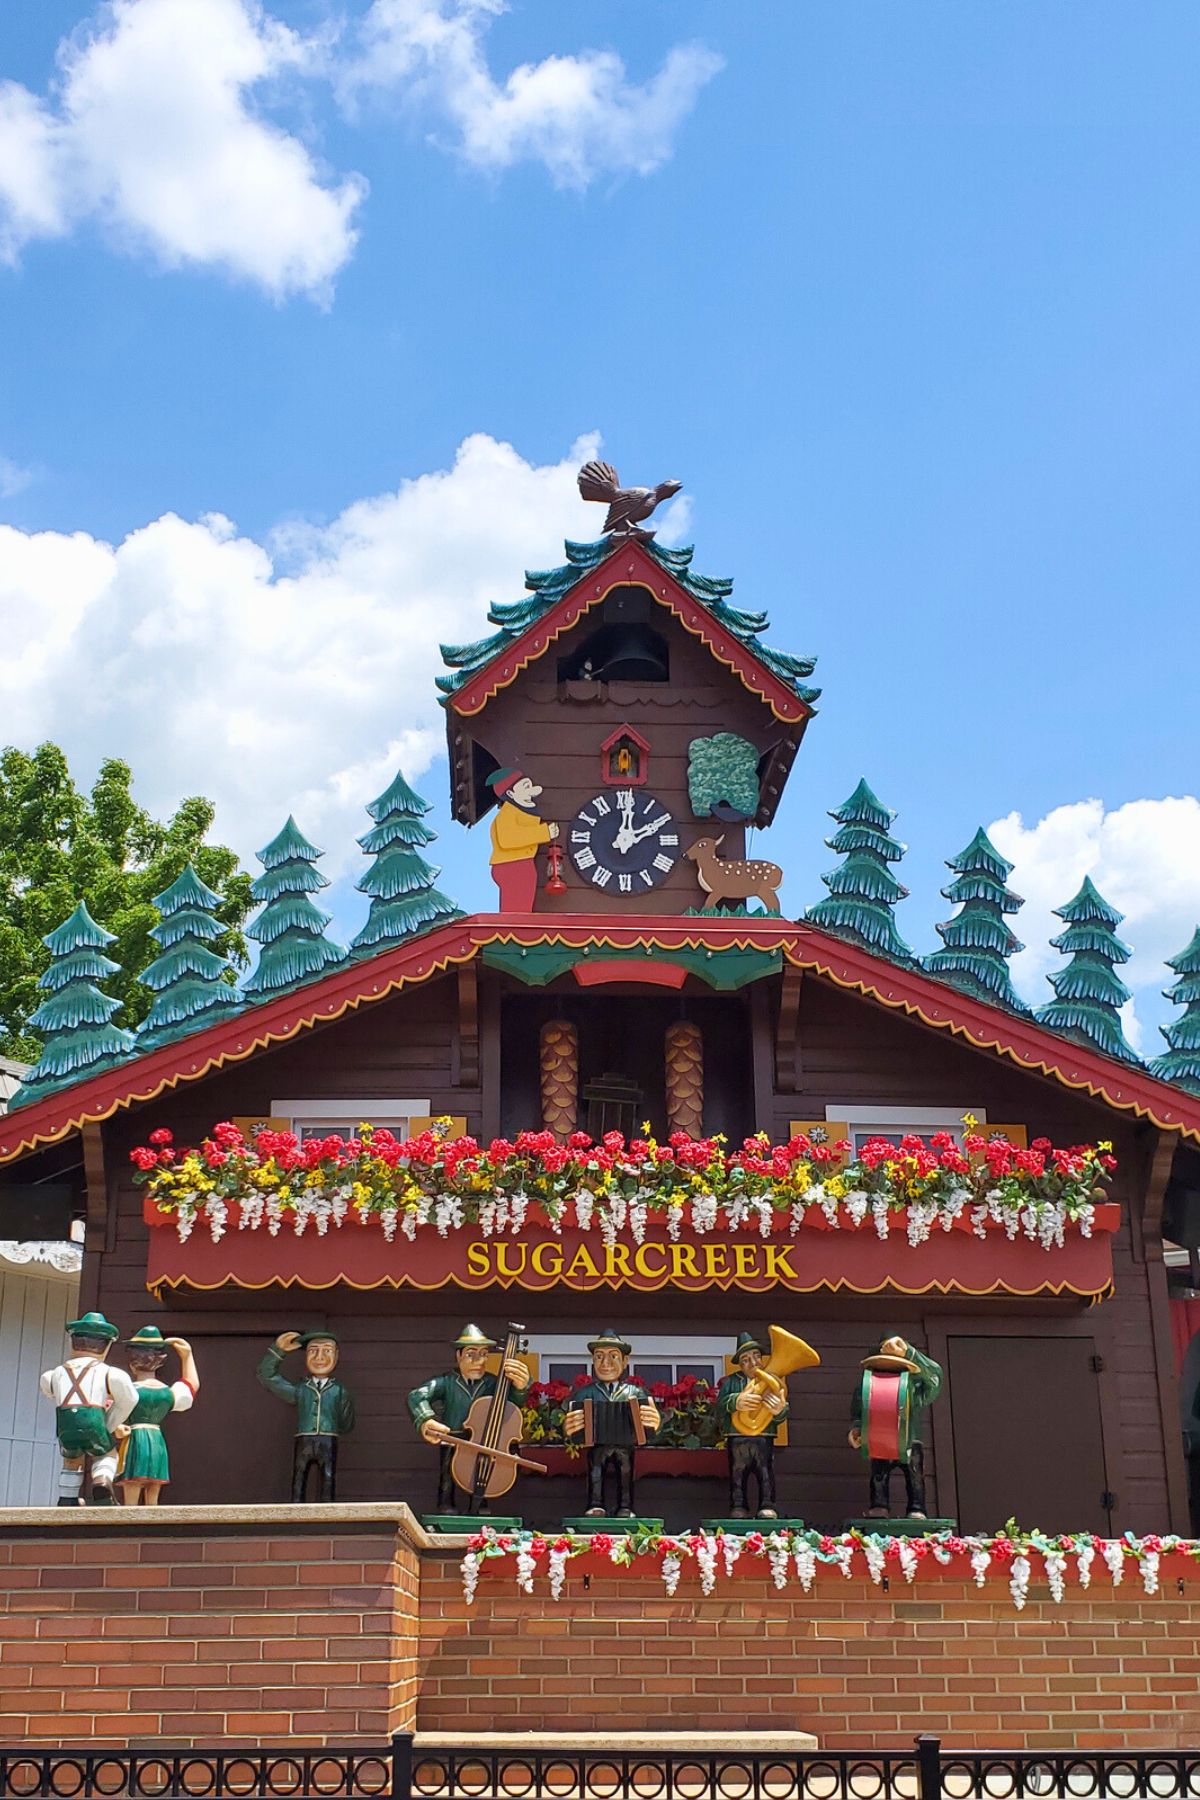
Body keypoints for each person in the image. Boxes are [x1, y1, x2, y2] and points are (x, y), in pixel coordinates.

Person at [407, 1324, 530, 1514]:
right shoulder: (447, 1382)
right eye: (471, 1354)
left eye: (484, 1354)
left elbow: (511, 1404)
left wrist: (520, 1387)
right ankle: (446, 1503)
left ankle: (481, 1502)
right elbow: (417, 1396)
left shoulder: (492, 1382)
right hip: (453, 1434)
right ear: (458, 1355)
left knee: (481, 1466)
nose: (478, 1361)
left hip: (484, 1438)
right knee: (447, 1472)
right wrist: (426, 1419)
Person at [40, 1310, 139, 1507]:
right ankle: (101, 1481)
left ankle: (67, 1497)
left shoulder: (55, 1373)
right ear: (106, 1345)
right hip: (93, 1418)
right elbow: (129, 1398)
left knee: (71, 1459)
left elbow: (49, 1389)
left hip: (65, 1423)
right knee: (106, 1453)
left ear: (73, 1342)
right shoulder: (108, 1372)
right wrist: (108, 1424)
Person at [563, 1330, 661, 1519]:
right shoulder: (585, 1393)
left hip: (625, 1443)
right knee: (595, 1470)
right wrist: (569, 1428)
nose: (605, 1363)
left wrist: (654, 1423)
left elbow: (651, 1421)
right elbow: (572, 1417)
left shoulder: (635, 1392)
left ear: (625, 1361)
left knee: (626, 1471)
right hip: (597, 1443)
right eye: (599, 1357)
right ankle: (595, 1504)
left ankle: (625, 1506)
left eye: (613, 1356)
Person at [849, 1334, 943, 1519]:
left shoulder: (914, 1387)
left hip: (910, 1438)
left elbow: (935, 1378)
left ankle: (916, 1507)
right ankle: (879, 1505)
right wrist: (858, 1428)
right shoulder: (867, 1386)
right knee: (879, 1475)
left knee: (914, 1474)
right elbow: (859, 1409)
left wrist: (910, 1353)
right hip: (878, 1437)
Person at [257, 1329, 356, 1503]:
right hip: (304, 1439)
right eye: (312, 1351)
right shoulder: (302, 1390)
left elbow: (347, 1422)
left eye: (327, 1351)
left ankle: (327, 1513)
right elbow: (267, 1376)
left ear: (337, 1355)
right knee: (299, 1476)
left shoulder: (339, 1391)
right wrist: (278, 1350)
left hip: (328, 1440)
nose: (320, 1357)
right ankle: (296, 1512)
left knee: (328, 1477)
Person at [118, 1327, 199, 1507]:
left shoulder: (127, 1391)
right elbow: (191, 1387)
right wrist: (187, 1357)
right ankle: (152, 1515)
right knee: (154, 1482)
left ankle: (129, 1515)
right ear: (160, 1362)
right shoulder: (167, 1393)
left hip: (135, 1439)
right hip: (156, 1441)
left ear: (132, 1363)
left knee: (133, 1480)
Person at [716, 1330, 787, 1519]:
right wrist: (735, 1401)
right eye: (746, 1359)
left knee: (765, 1471)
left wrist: (779, 1409)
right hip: (737, 1436)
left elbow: (781, 1411)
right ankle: (738, 1505)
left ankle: (767, 1504)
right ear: (740, 1364)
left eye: (756, 1356)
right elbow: (720, 1406)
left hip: (764, 1435)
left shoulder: (772, 1381)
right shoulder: (732, 1382)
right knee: (737, 1473)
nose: (753, 1363)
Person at [487, 768, 559, 911]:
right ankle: (513, 924)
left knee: (525, 892)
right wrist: (544, 832)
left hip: (522, 862)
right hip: (510, 865)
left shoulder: (522, 809)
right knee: (516, 902)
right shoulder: (509, 811)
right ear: (510, 793)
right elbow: (508, 838)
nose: (530, 788)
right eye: (524, 786)